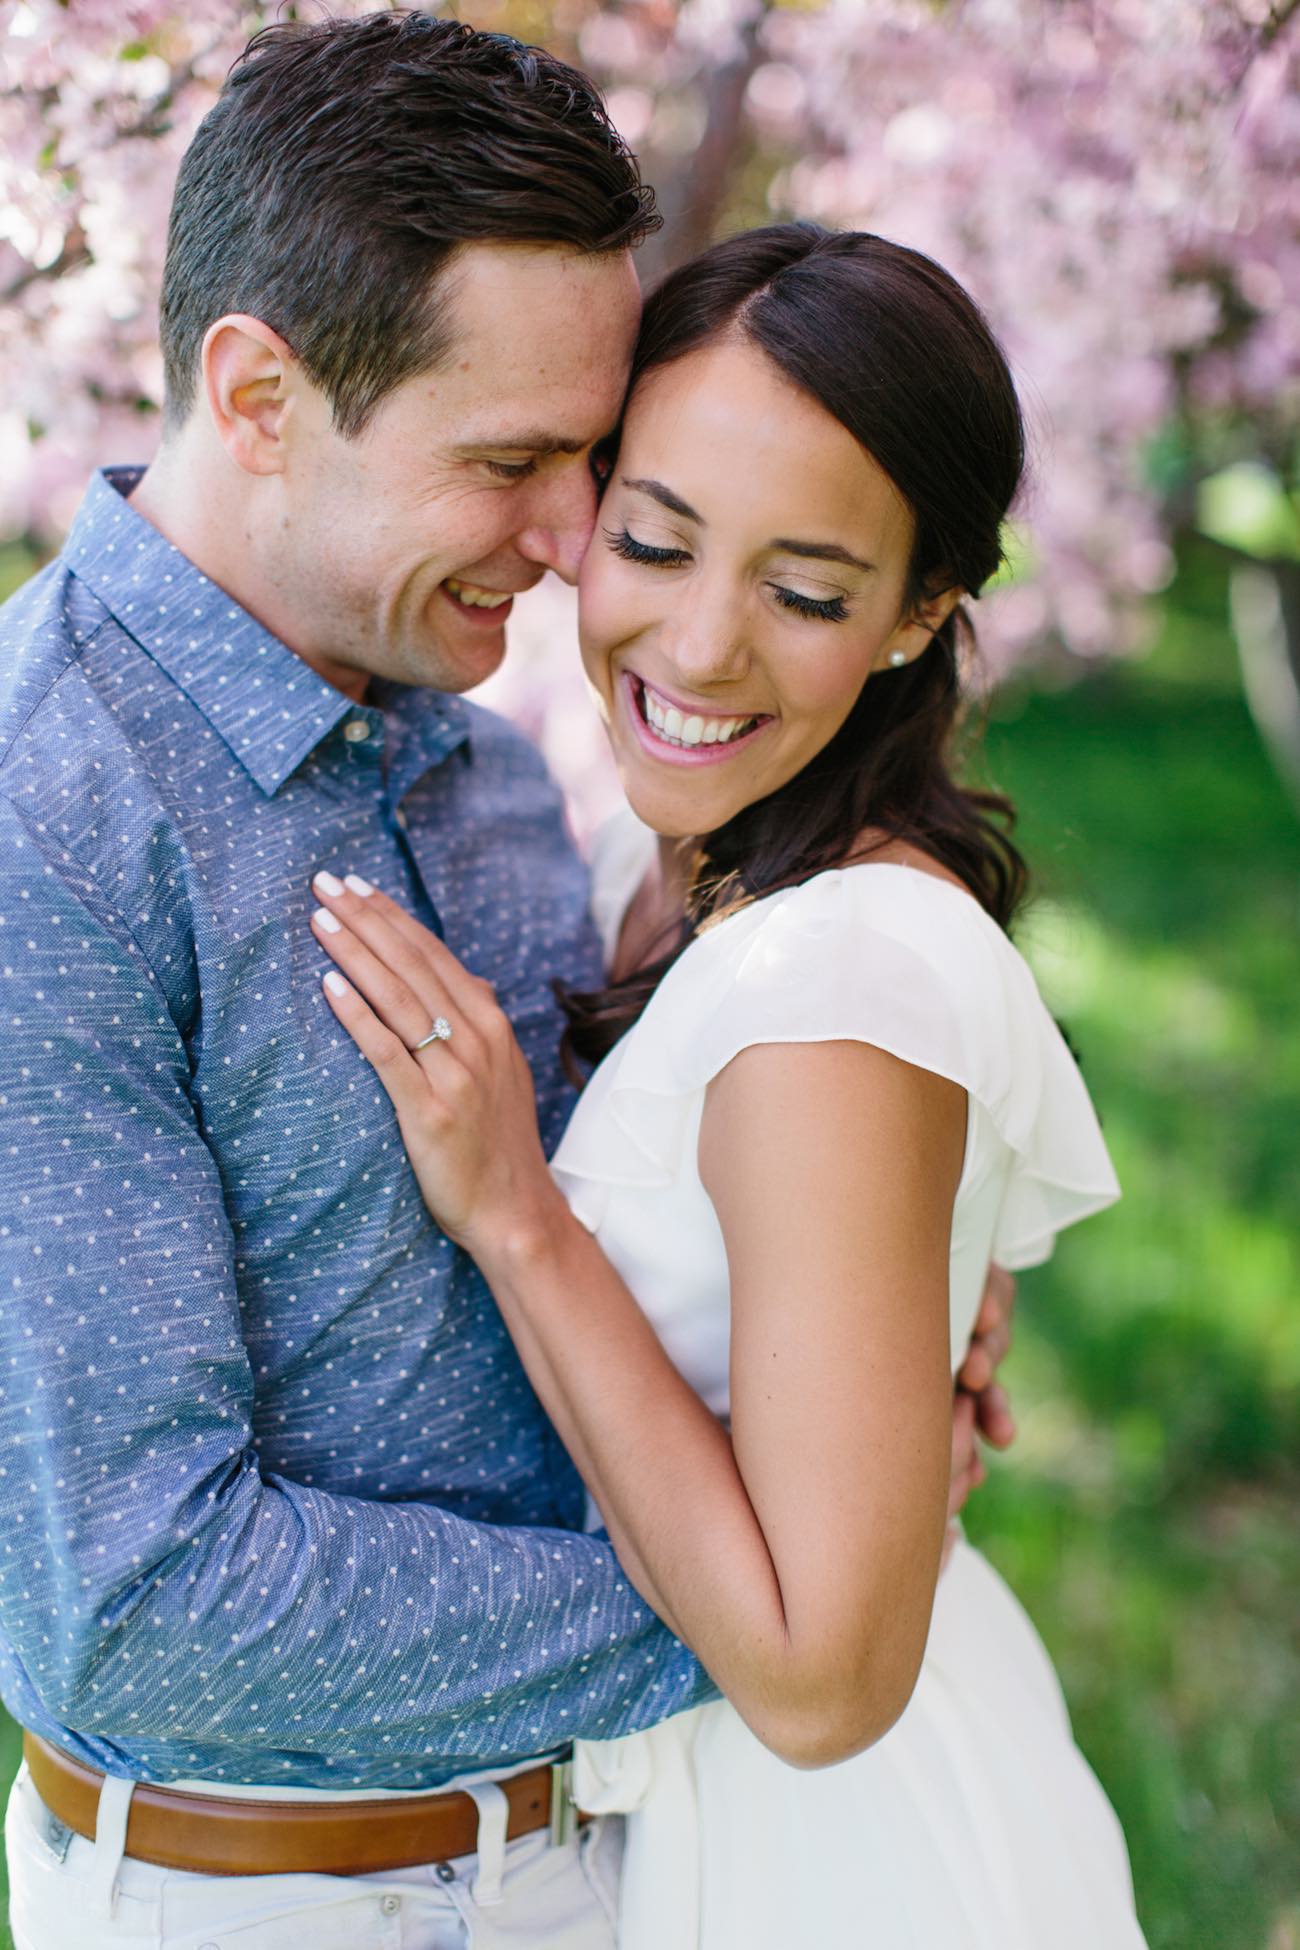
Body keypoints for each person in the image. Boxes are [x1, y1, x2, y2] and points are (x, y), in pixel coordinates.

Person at [0, 16, 1014, 1947]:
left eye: (593, 463)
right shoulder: (44, 821)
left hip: (635, 1857)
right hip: (281, 1904)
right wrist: (791, 1581)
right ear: (260, 392)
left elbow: (646, 1203)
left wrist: (856, 1336)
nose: (571, 552)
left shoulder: (483, 760)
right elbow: (136, 1606)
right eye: (514, 464)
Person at [309, 223, 1149, 1947]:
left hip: (852, 1852)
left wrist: (517, 1215)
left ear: (922, 613)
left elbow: (825, 1680)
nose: (696, 647)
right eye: (656, 539)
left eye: (807, 590)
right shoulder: (713, 863)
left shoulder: (827, 973)